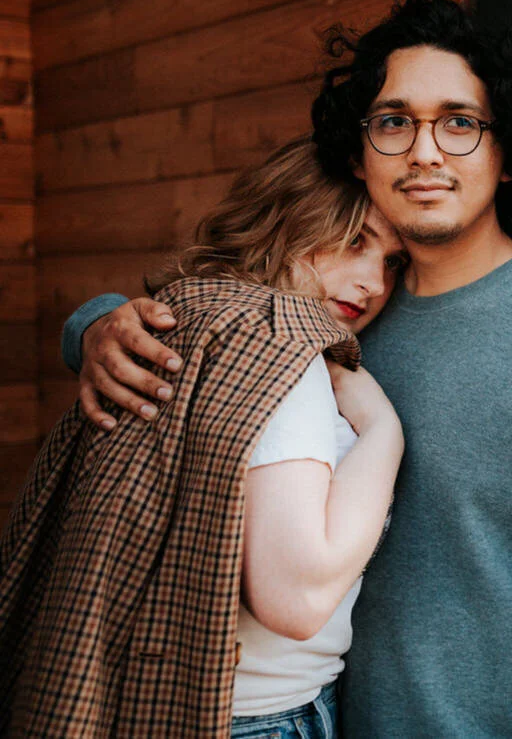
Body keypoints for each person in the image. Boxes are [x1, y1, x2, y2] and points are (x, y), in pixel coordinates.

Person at [62, 0, 512, 736]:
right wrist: (93, 328)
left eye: (460, 123)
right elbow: (207, 318)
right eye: (394, 122)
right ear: (359, 152)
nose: (424, 151)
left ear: (505, 154)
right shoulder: (337, 310)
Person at [1, 138, 408, 737]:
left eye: (393, 261)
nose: (373, 283)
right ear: (284, 221)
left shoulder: (193, 312)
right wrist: (383, 432)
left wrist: (89, 324)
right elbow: (294, 601)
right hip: (258, 714)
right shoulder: (284, 350)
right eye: (354, 242)